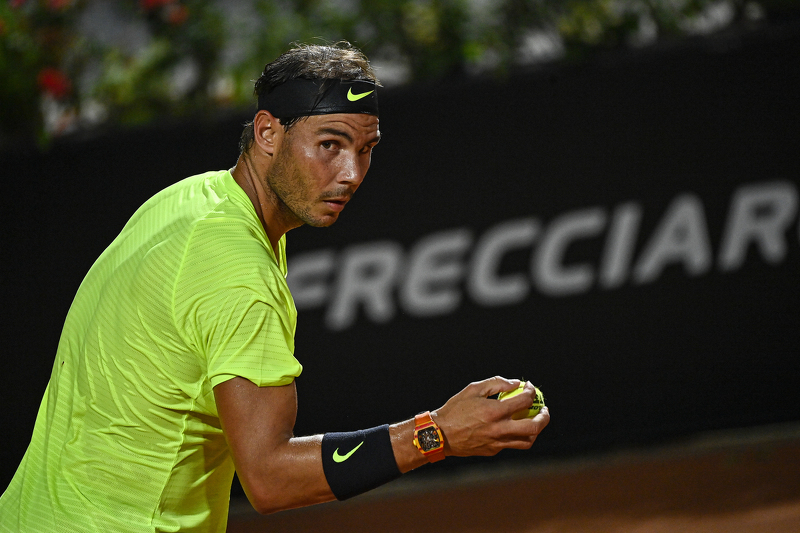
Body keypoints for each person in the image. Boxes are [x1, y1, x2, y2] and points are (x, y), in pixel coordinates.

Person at [0, 42, 549, 532]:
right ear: (268, 133)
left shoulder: (190, 200)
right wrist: (438, 434)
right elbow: (269, 479)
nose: (352, 173)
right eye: (329, 145)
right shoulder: (240, 276)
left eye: (366, 149)